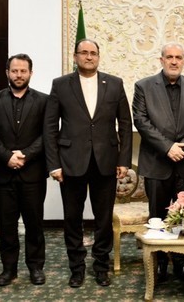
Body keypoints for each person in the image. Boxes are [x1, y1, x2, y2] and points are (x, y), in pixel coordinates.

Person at [44, 39, 132, 288]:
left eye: (93, 53)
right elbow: (50, 127)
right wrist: (54, 164)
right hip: (71, 163)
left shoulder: (114, 84)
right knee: (72, 218)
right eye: (84, 53)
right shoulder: (61, 85)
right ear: (75, 57)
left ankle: (101, 266)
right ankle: (77, 268)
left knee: (103, 219)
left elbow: (125, 124)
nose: (89, 57)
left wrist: (124, 160)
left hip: (106, 162)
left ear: (99, 57)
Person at [132, 43, 184, 283]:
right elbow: (141, 121)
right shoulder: (143, 86)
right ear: (161, 60)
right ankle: (159, 264)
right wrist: (168, 147)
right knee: (157, 216)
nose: (174, 61)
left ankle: (182, 264)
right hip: (157, 163)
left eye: (178, 58)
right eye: (169, 57)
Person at [0, 54, 49, 287]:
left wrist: (26, 155)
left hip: (32, 173)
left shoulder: (44, 100)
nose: (18, 75)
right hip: (2, 174)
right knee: (7, 225)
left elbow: (47, 134)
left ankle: (35, 268)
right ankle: (8, 269)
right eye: (14, 71)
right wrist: (7, 156)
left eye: (23, 71)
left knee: (34, 224)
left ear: (31, 73)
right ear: (7, 73)